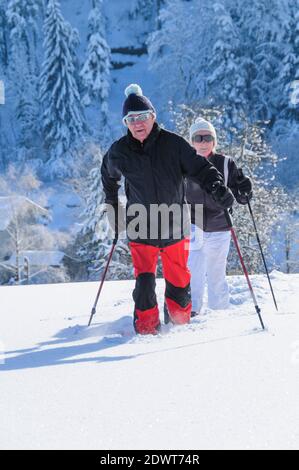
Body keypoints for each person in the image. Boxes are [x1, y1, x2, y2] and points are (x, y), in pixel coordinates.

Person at [101, 84, 234, 335]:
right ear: (126, 123)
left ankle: (178, 329)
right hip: (140, 226)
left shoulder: (174, 145)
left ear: (153, 117)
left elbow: (201, 168)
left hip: (174, 225)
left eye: (142, 117)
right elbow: (108, 176)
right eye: (131, 119)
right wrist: (112, 205)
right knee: (144, 285)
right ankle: (146, 331)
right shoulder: (119, 151)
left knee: (179, 282)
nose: (137, 123)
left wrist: (217, 186)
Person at [186, 117, 253, 315]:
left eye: (207, 137)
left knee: (216, 274)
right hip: (192, 224)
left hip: (219, 225)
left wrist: (245, 190)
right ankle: (193, 311)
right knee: (192, 273)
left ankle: (220, 314)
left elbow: (241, 197)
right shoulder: (184, 165)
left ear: (214, 141)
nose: (203, 142)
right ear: (192, 142)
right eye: (198, 138)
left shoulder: (225, 163)